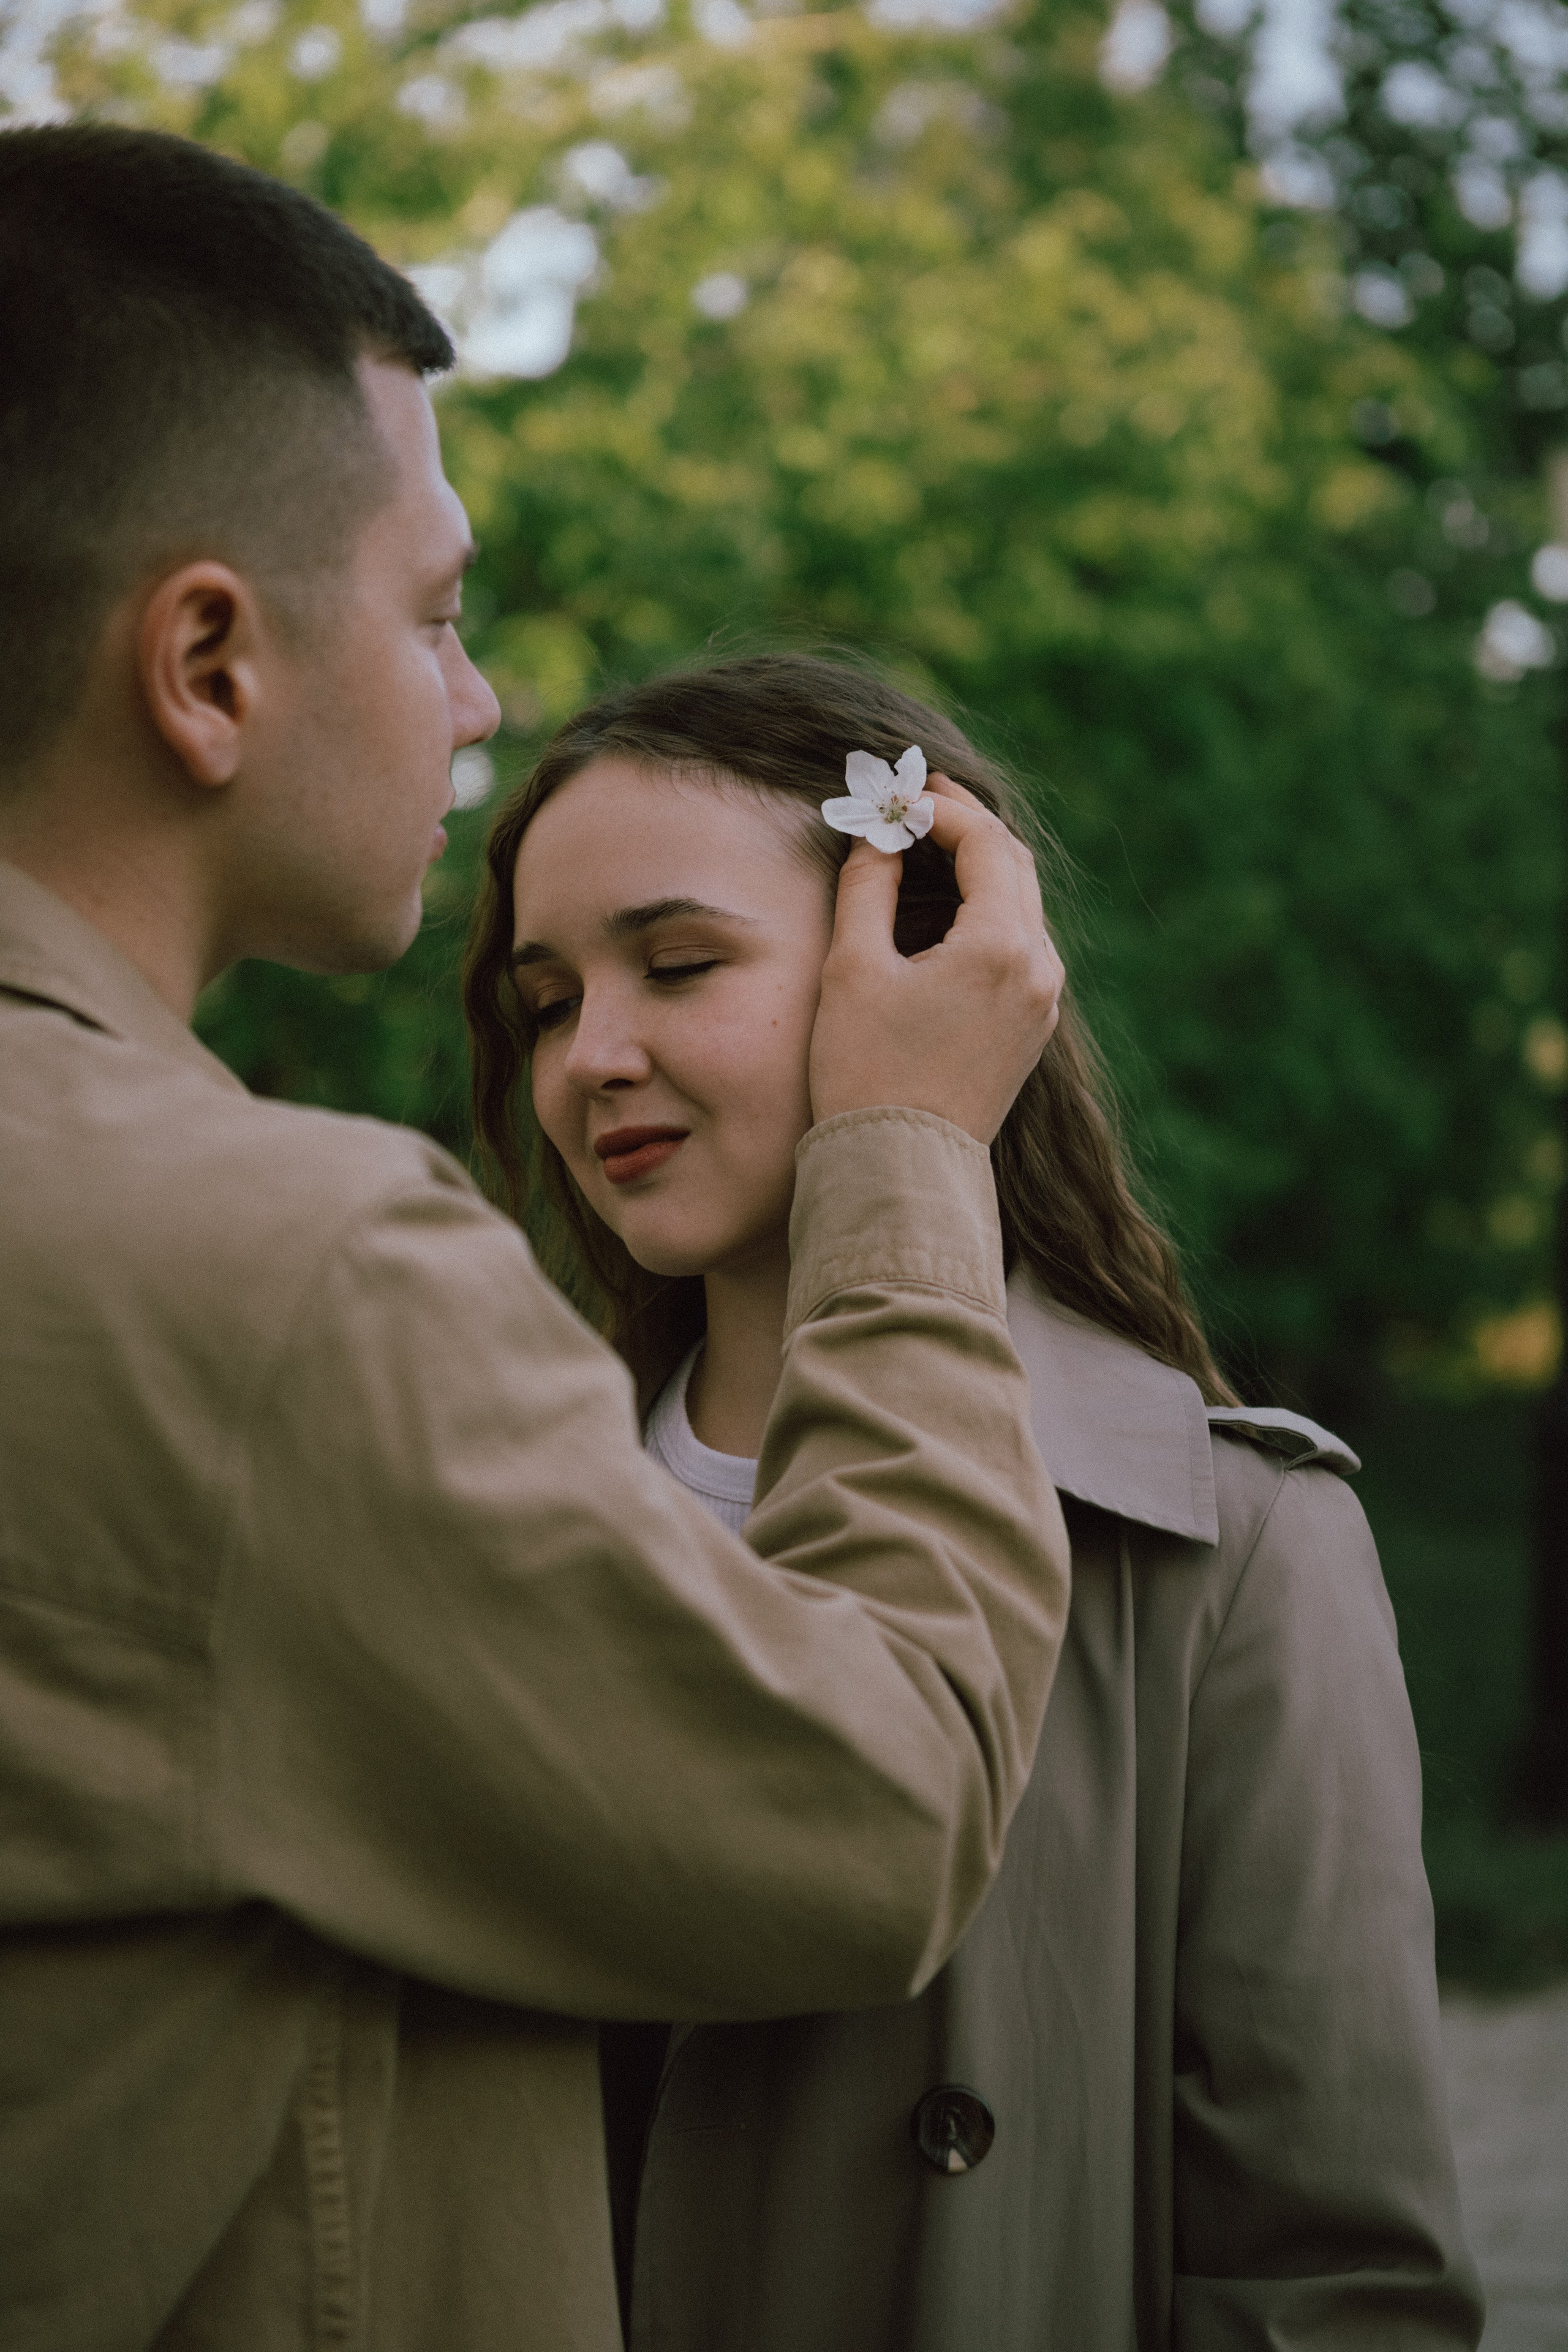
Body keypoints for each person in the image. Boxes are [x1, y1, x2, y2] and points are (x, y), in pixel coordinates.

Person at [0, 132, 1076, 2351]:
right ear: (207, 661)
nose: (477, 700)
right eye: (435, 611)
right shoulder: (285, 1282)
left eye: (682, 963)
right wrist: (897, 1144)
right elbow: (877, 1809)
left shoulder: (1239, 1533)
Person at [466, 652, 1485, 2351]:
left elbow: (1331, 2283)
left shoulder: (1228, 1550)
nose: (593, 1058)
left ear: (924, 962)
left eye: (678, 963)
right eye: (548, 1000)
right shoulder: (483, 1511)